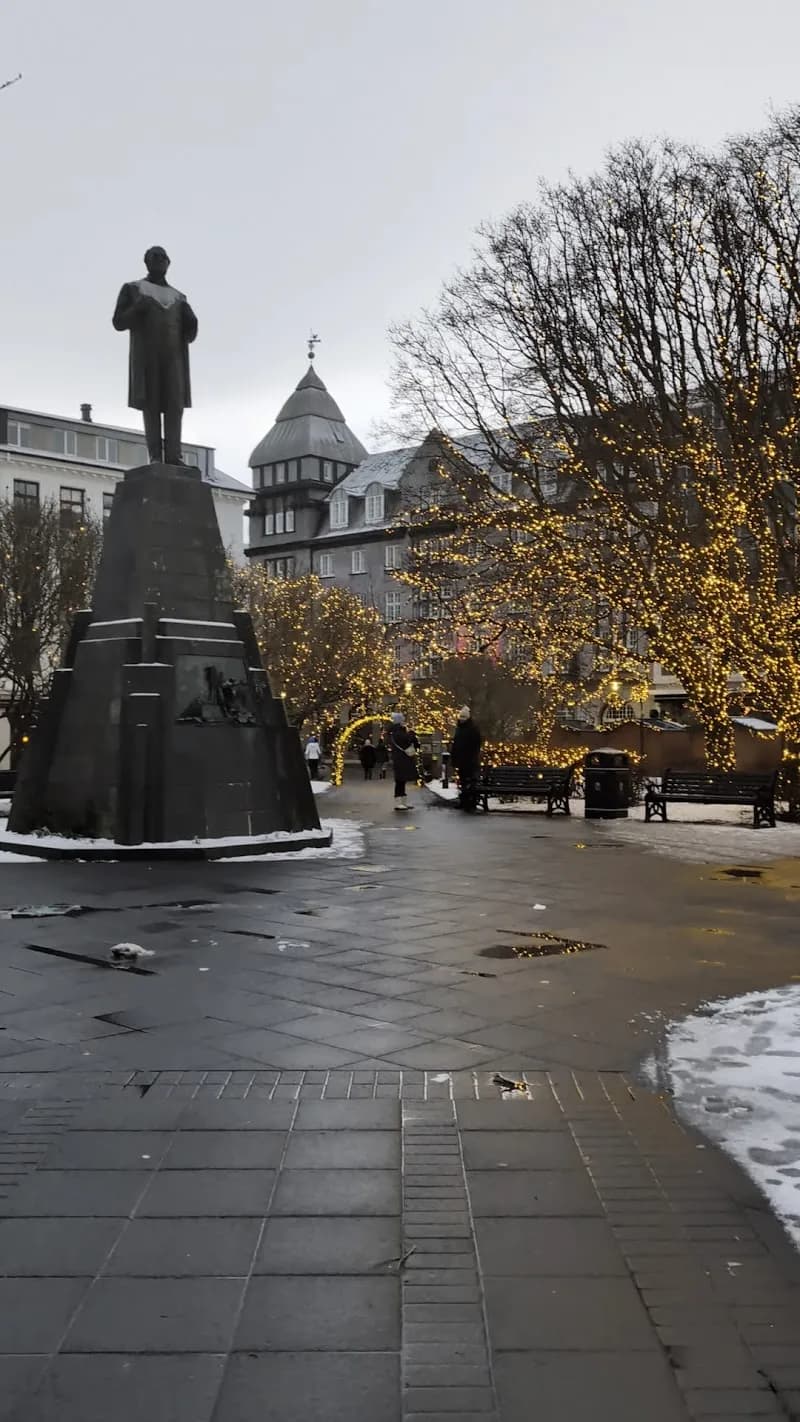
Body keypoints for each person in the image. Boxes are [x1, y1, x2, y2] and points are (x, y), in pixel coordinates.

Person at [112, 246, 198, 466]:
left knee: (174, 406)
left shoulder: (179, 297)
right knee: (151, 405)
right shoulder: (134, 289)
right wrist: (138, 308)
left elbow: (189, 334)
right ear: (146, 262)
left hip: (174, 359)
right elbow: (119, 322)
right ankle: (155, 456)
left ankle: (174, 455)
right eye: (154, 257)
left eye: (163, 258)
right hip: (147, 359)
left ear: (169, 263)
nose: (159, 261)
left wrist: (192, 322)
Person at [450, 705, 483, 811]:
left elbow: (476, 744)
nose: (462, 719)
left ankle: (470, 802)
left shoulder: (472, 729)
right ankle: (464, 801)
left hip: (470, 760)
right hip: (461, 760)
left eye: (464, 717)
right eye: (461, 717)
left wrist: (472, 756)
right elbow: (456, 744)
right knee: (463, 782)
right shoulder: (459, 729)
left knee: (470, 782)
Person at [389, 712, 419, 810]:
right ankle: (399, 802)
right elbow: (406, 740)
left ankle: (402, 801)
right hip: (400, 759)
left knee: (402, 780)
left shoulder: (398, 731)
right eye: (402, 720)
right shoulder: (397, 732)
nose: (404, 722)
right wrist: (411, 734)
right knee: (400, 780)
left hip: (402, 758)